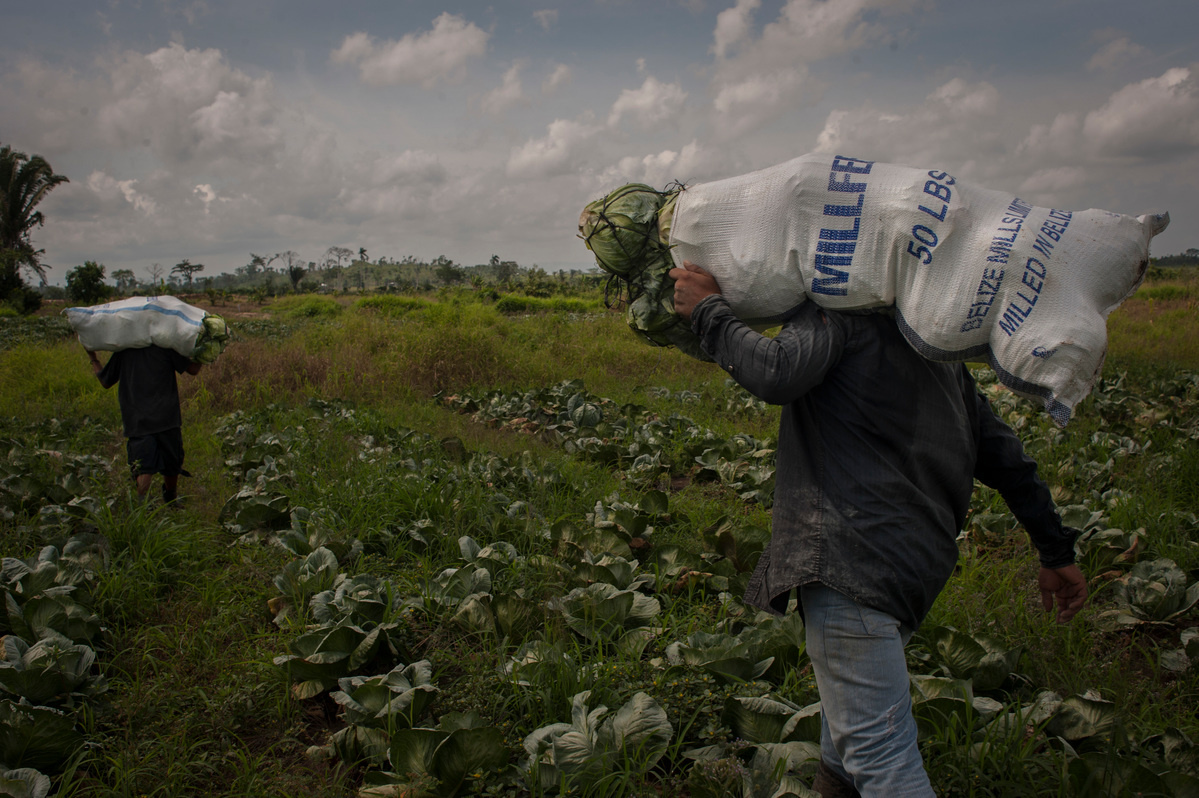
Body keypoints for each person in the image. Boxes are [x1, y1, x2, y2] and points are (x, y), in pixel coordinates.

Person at [668, 260, 1088, 798]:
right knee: (844, 751)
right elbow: (1009, 460)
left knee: (880, 756)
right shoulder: (937, 353)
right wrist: (1055, 550)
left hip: (851, 564)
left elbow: (776, 372)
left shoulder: (838, 316)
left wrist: (708, 310)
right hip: (912, 570)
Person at [88, 345, 202, 504]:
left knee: (145, 467)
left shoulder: (125, 350)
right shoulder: (165, 346)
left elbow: (106, 380)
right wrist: (205, 352)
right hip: (166, 417)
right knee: (171, 463)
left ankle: (146, 506)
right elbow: (193, 369)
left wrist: (93, 357)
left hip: (138, 420)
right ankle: (169, 499)